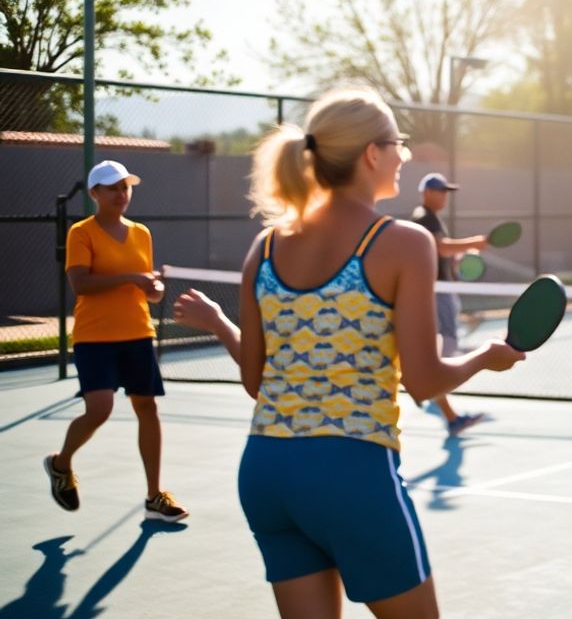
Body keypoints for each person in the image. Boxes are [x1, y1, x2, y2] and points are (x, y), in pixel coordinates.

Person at [173, 89, 523, 617]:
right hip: (350, 472)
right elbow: (424, 383)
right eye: (397, 144)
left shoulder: (264, 246)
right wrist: (483, 359)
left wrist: (221, 325)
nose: (404, 155)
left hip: (266, 472)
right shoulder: (404, 242)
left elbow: (255, 381)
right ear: (371, 154)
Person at [42, 160, 188, 523]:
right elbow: (81, 284)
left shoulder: (141, 233)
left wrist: (153, 288)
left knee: (147, 409)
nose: (121, 194)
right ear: (95, 194)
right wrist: (133, 277)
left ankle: (154, 496)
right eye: (113, 188)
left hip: (137, 333)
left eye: (125, 187)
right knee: (100, 410)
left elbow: (149, 293)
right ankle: (61, 464)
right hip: (95, 337)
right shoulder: (82, 233)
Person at [412, 172, 488, 435]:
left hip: (441, 289)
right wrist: (474, 243)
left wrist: (457, 258)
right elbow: (441, 248)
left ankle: (446, 410)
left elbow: (439, 254)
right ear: (427, 193)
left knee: (440, 350)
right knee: (443, 351)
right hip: (436, 291)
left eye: (446, 191)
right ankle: (431, 388)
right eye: (440, 191)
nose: (444, 196)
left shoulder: (432, 219)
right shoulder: (424, 216)